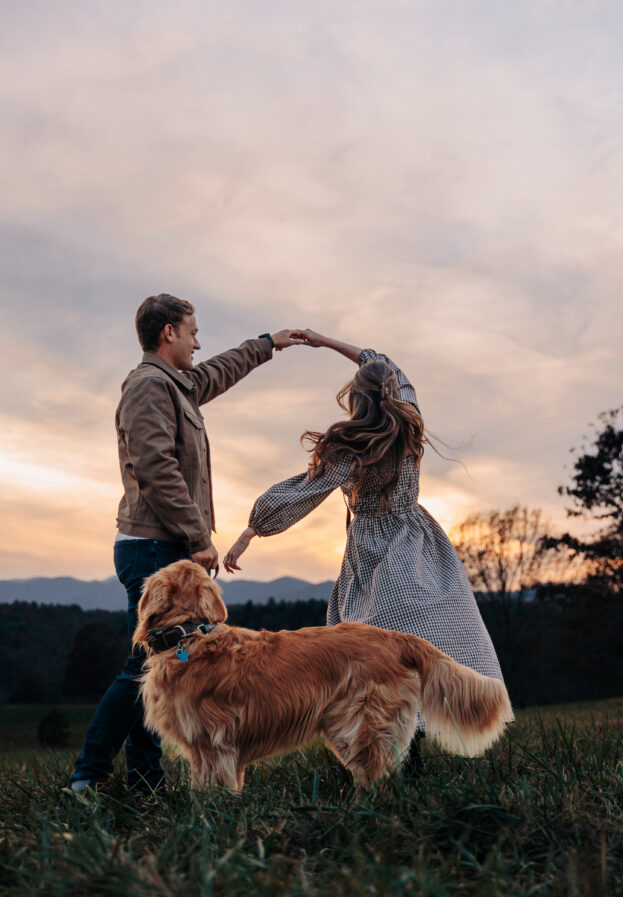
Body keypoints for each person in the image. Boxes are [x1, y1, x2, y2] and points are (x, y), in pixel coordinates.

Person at [223, 329, 511, 778]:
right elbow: (385, 362)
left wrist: (251, 531)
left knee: (372, 655)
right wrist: (328, 341)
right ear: (393, 393)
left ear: (355, 401)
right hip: (421, 541)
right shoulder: (411, 418)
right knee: (431, 640)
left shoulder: (351, 445)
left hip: (377, 553)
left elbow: (304, 492)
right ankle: (425, 744)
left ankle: (393, 758)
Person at [70, 294, 298, 794]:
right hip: (155, 549)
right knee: (145, 667)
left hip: (161, 546)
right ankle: (87, 777)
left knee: (161, 669)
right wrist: (198, 537)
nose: (199, 340)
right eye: (192, 331)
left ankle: (145, 781)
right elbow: (156, 468)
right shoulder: (150, 387)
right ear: (168, 332)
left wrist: (266, 345)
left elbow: (217, 371)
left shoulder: (177, 385)